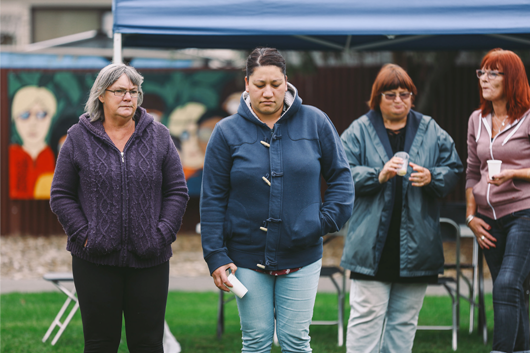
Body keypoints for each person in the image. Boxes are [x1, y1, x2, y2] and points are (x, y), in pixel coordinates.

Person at [200, 47, 354, 352]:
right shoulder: (225, 132)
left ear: (286, 82)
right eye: (259, 85)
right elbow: (213, 198)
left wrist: (321, 223)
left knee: (296, 341)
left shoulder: (315, 121)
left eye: (275, 84)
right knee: (255, 341)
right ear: (246, 83)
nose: (268, 92)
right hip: (244, 257)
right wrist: (215, 254)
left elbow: (341, 178)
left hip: (302, 255)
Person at [50, 63, 189, 353]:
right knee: (100, 344)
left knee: (148, 344)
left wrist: (162, 235)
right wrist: (85, 235)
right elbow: (61, 195)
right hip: (94, 261)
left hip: (150, 259)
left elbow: (177, 191)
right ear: (101, 94)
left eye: (133, 91)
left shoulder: (159, 136)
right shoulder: (78, 137)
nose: (128, 97)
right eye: (120, 91)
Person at [340, 63, 463, 353]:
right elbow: (340, 174)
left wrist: (433, 177)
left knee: (404, 322)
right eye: (390, 94)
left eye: (405, 94)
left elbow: (454, 167)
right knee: (366, 319)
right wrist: (377, 175)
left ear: (413, 96)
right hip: (370, 247)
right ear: (376, 97)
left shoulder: (431, 129)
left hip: (417, 245)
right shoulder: (359, 130)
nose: (398, 100)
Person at [465, 48, 530, 353]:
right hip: (488, 220)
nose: (484, 79)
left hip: (523, 214)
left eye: (493, 72)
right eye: (482, 72)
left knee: (507, 285)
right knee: (513, 291)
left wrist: (513, 172)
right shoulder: (477, 119)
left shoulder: (528, 119)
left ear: (512, 78)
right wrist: (470, 218)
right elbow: (471, 171)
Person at [9, 86, 57, 199]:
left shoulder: (59, 156)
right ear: (15, 119)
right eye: (25, 115)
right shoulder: (9, 156)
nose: (33, 123)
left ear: (51, 118)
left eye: (41, 115)